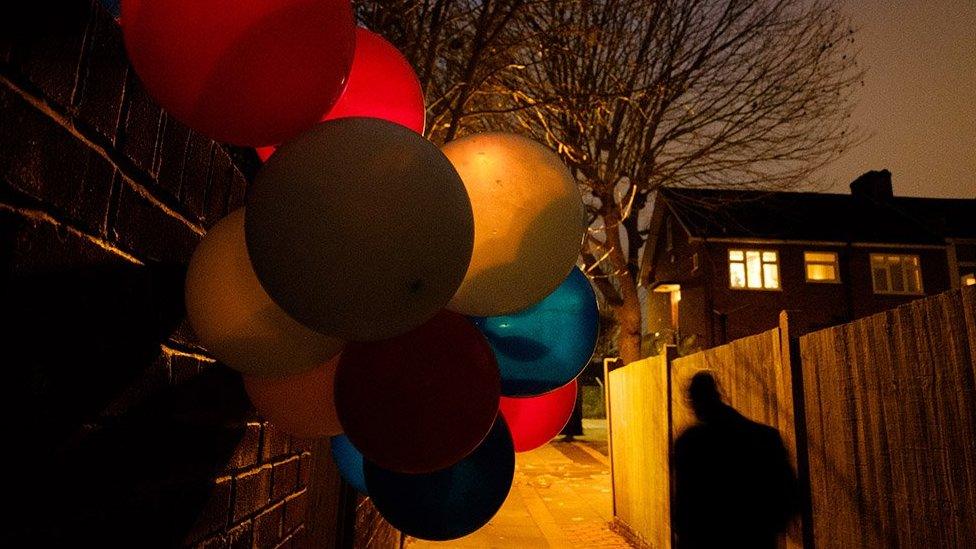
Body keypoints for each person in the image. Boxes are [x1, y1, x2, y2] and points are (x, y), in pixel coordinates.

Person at [672, 371, 799, 549]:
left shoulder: (689, 444)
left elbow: (683, 506)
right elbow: (788, 495)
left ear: (692, 402)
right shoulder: (764, 438)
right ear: (718, 395)